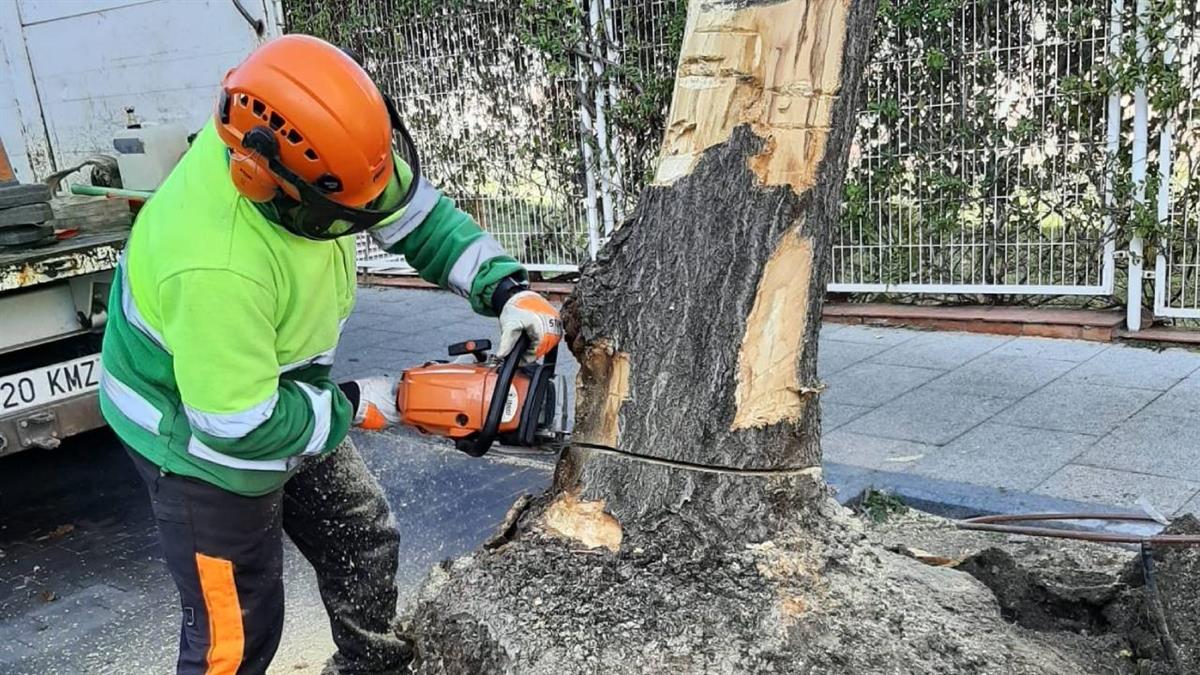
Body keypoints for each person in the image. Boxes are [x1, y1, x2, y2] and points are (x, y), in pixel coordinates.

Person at [98, 34, 561, 675]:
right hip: (195, 429)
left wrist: (508, 290)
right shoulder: (213, 262)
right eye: (344, 214)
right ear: (263, 180)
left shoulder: (321, 151)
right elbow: (238, 423)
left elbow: (413, 214)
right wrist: (371, 403)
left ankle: (369, 666)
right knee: (238, 625)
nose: (364, 217)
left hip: (275, 382)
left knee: (360, 536)